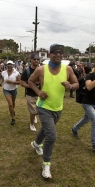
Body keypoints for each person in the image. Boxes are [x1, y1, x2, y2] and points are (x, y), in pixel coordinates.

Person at [28, 44, 79, 179]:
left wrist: (71, 86)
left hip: (58, 108)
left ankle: (36, 143)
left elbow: (77, 84)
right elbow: (30, 81)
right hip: (44, 107)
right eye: (55, 52)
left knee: (45, 130)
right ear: (50, 54)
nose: (58, 55)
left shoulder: (67, 69)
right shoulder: (41, 69)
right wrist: (38, 92)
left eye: (61, 52)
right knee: (51, 135)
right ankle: (46, 164)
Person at [72, 67, 95, 146]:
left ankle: (75, 128)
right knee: (94, 120)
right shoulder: (89, 76)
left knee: (86, 118)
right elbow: (88, 87)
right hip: (88, 103)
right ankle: (94, 144)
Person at [20, 53, 40, 131]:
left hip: (40, 94)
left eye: (37, 59)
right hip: (30, 94)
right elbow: (22, 83)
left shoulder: (41, 69)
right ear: (31, 60)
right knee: (33, 111)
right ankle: (31, 124)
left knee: (38, 111)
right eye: (34, 59)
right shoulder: (27, 71)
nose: (36, 60)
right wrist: (31, 86)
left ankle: (34, 116)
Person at [0, 60, 20, 125]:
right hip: (6, 90)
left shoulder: (16, 73)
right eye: (8, 65)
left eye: (10, 65)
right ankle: (13, 118)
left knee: (13, 103)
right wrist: (0, 82)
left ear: (12, 65)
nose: (9, 66)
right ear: (6, 66)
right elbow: (2, 79)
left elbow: (19, 82)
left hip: (14, 89)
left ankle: (12, 111)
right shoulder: (3, 72)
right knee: (10, 104)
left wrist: (12, 82)